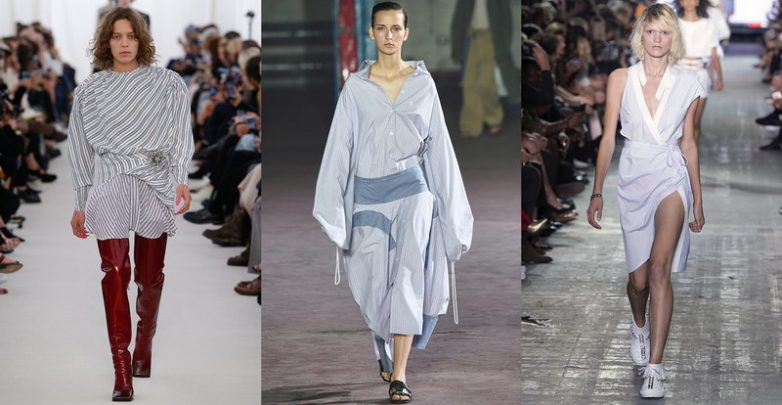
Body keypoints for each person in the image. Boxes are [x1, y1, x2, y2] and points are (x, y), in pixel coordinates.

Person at [313, 2, 473, 403]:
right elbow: (339, 148)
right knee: (370, 283)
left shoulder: (423, 84)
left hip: (413, 192)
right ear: (371, 33)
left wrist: (452, 211)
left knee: (407, 277)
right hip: (368, 194)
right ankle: (381, 339)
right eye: (381, 28)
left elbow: (439, 148)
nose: (389, 35)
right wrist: (332, 207)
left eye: (396, 28)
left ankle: (400, 373)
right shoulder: (356, 88)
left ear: (406, 33)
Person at [67, 7, 193, 401]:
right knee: (115, 271)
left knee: (149, 277)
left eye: (131, 36)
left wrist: (181, 178)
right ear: (106, 42)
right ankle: (121, 368)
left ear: (142, 40)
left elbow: (181, 132)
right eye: (117, 36)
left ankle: (145, 343)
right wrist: (80, 201)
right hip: (110, 181)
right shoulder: (90, 90)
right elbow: (79, 147)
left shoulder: (168, 83)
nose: (125, 43)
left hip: (154, 180)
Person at [586, 4, 705, 399]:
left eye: (664, 32)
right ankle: (639, 325)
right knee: (638, 282)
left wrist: (698, 198)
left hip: (671, 175)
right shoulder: (620, 78)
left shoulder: (690, 83)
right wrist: (597, 191)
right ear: (640, 35)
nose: (657, 39)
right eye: (651, 31)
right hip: (634, 175)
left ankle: (655, 366)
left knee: (658, 270)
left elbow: (689, 142)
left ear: (674, 37)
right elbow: (607, 138)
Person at [676, 0, 724, 144]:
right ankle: (677, 155)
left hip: (700, 72)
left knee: (695, 122)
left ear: (698, 1)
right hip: (677, 72)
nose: (689, 2)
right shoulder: (674, 23)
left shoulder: (708, 24)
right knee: (677, 122)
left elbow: (714, 53)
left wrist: (719, 77)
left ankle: (691, 154)